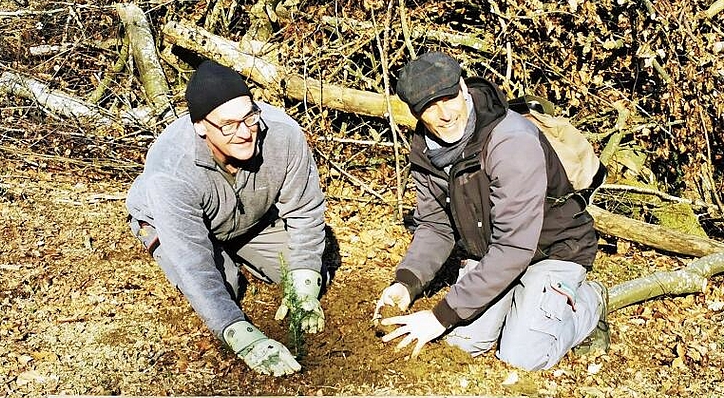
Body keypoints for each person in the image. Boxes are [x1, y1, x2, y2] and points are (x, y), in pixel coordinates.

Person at [375, 52, 609, 371]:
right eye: (430, 106)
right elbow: (434, 226)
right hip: (493, 253)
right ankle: (520, 299)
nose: (445, 114)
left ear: (463, 88)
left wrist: (439, 316)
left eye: (449, 98)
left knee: (522, 357)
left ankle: (590, 302)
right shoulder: (426, 151)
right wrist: (406, 282)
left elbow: (514, 247)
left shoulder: (510, 141)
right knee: (463, 343)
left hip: (554, 248)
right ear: (415, 112)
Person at [126, 60, 327, 377]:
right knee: (225, 287)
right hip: (171, 223)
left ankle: (246, 254)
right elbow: (193, 262)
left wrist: (305, 285)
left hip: (250, 218)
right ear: (201, 126)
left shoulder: (283, 137)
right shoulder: (171, 170)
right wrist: (241, 336)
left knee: (299, 272)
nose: (246, 132)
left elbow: (305, 211)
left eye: (249, 117)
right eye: (229, 125)